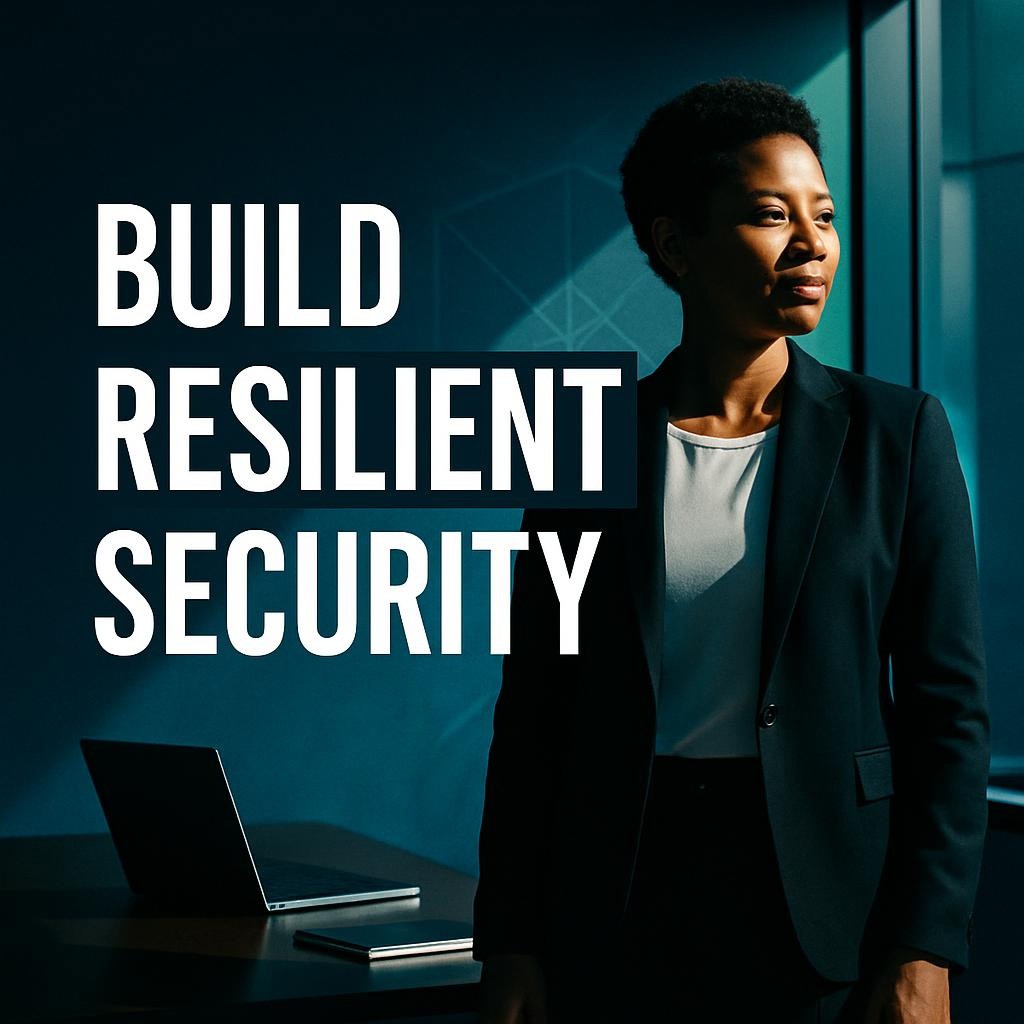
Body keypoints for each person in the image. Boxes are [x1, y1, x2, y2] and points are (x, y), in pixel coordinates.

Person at [472, 77, 990, 1023]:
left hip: (827, 902)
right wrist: (508, 941)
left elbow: (948, 713)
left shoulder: (898, 435)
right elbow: (536, 714)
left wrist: (926, 945)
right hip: (619, 899)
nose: (812, 244)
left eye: (822, 215)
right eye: (768, 216)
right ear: (676, 245)